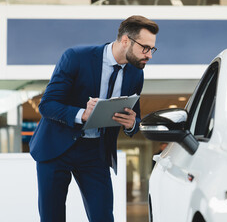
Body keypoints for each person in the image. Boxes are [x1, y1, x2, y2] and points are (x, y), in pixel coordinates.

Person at [29, 15, 159, 222]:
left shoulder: (136, 73)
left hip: (95, 153)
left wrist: (132, 123)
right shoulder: (76, 57)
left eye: (152, 49)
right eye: (145, 48)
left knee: (103, 217)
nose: (149, 55)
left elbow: (135, 118)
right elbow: (47, 105)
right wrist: (82, 114)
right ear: (126, 40)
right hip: (55, 149)